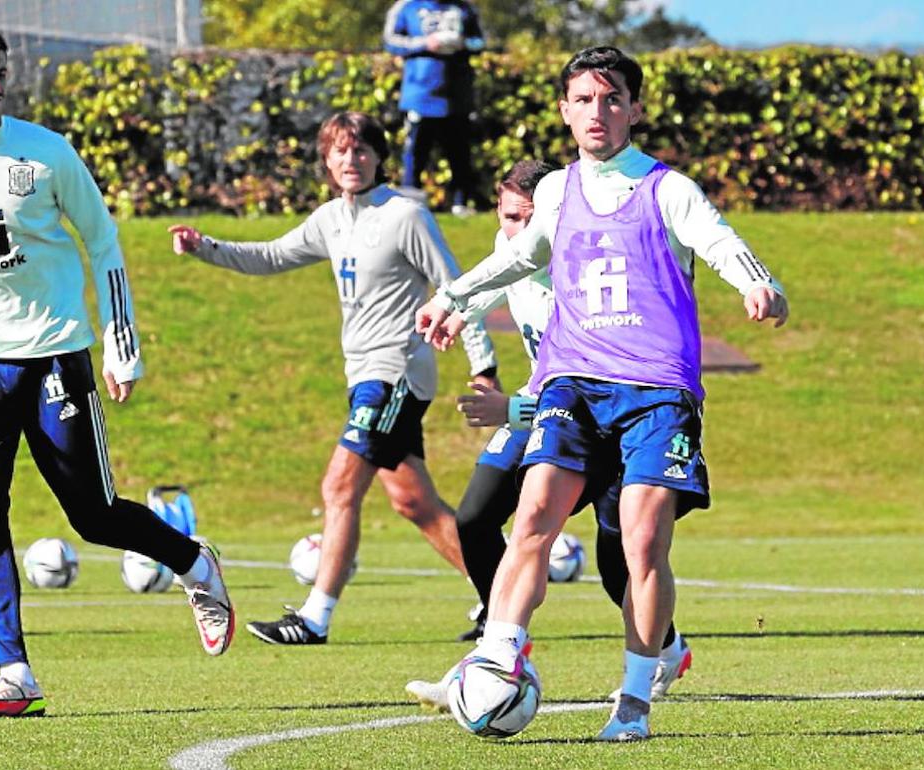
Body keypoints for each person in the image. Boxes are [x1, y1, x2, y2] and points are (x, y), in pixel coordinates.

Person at [0, 19, 234, 719]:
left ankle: (193, 562)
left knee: (94, 515)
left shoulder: (47, 154)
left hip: (54, 354)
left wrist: (122, 345)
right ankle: (13, 670)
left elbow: (103, 241)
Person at [415, 46, 789, 741]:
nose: (598, 111)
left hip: (655, 391)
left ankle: (637, 699)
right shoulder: (554, 190)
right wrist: (454, 298)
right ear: (565, 110)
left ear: (636, 108)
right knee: (531, 520)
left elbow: (717, 239)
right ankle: (497, 657)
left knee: (643, 544)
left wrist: (755, 283)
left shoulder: (667, 188)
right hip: (574, 382)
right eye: (584, 99)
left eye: (611, 97)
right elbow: (522, 256)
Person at [168, 111, 499, 646]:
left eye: (363, 149)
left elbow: (456, 288)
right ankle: (501, 595)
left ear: (379, 157)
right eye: (342, 150)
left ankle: (314, 617)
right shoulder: (330, 219)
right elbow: (272, 256)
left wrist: (484, 367)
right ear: (327, 159)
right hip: (363, 375)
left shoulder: (405, 215)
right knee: (413, 502)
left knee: (338, 486)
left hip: (394, 372)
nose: (352, 159)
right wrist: (206, 247)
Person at [404, 160, 692, 710]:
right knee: (476, 517)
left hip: (596, 416)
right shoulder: (515, 246)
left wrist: (510, 406)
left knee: (618, 563)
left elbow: (594, 369)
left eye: (528, 219)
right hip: (546, 410)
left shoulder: (583, 266)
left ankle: (667, 648)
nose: (517, 231)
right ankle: (497, 655)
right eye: (508, 217)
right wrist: (456, 311)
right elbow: (499, 272)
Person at [383, 0, 484, 216]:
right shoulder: (407, 6)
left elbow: (480, 42)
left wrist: (462, 44)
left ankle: (460, 203)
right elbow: (390, 40)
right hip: (419, 95)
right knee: (415, 152)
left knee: (459, 153)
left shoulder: (463, 8)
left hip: (457, 98)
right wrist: (424, 43)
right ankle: (409, 205)